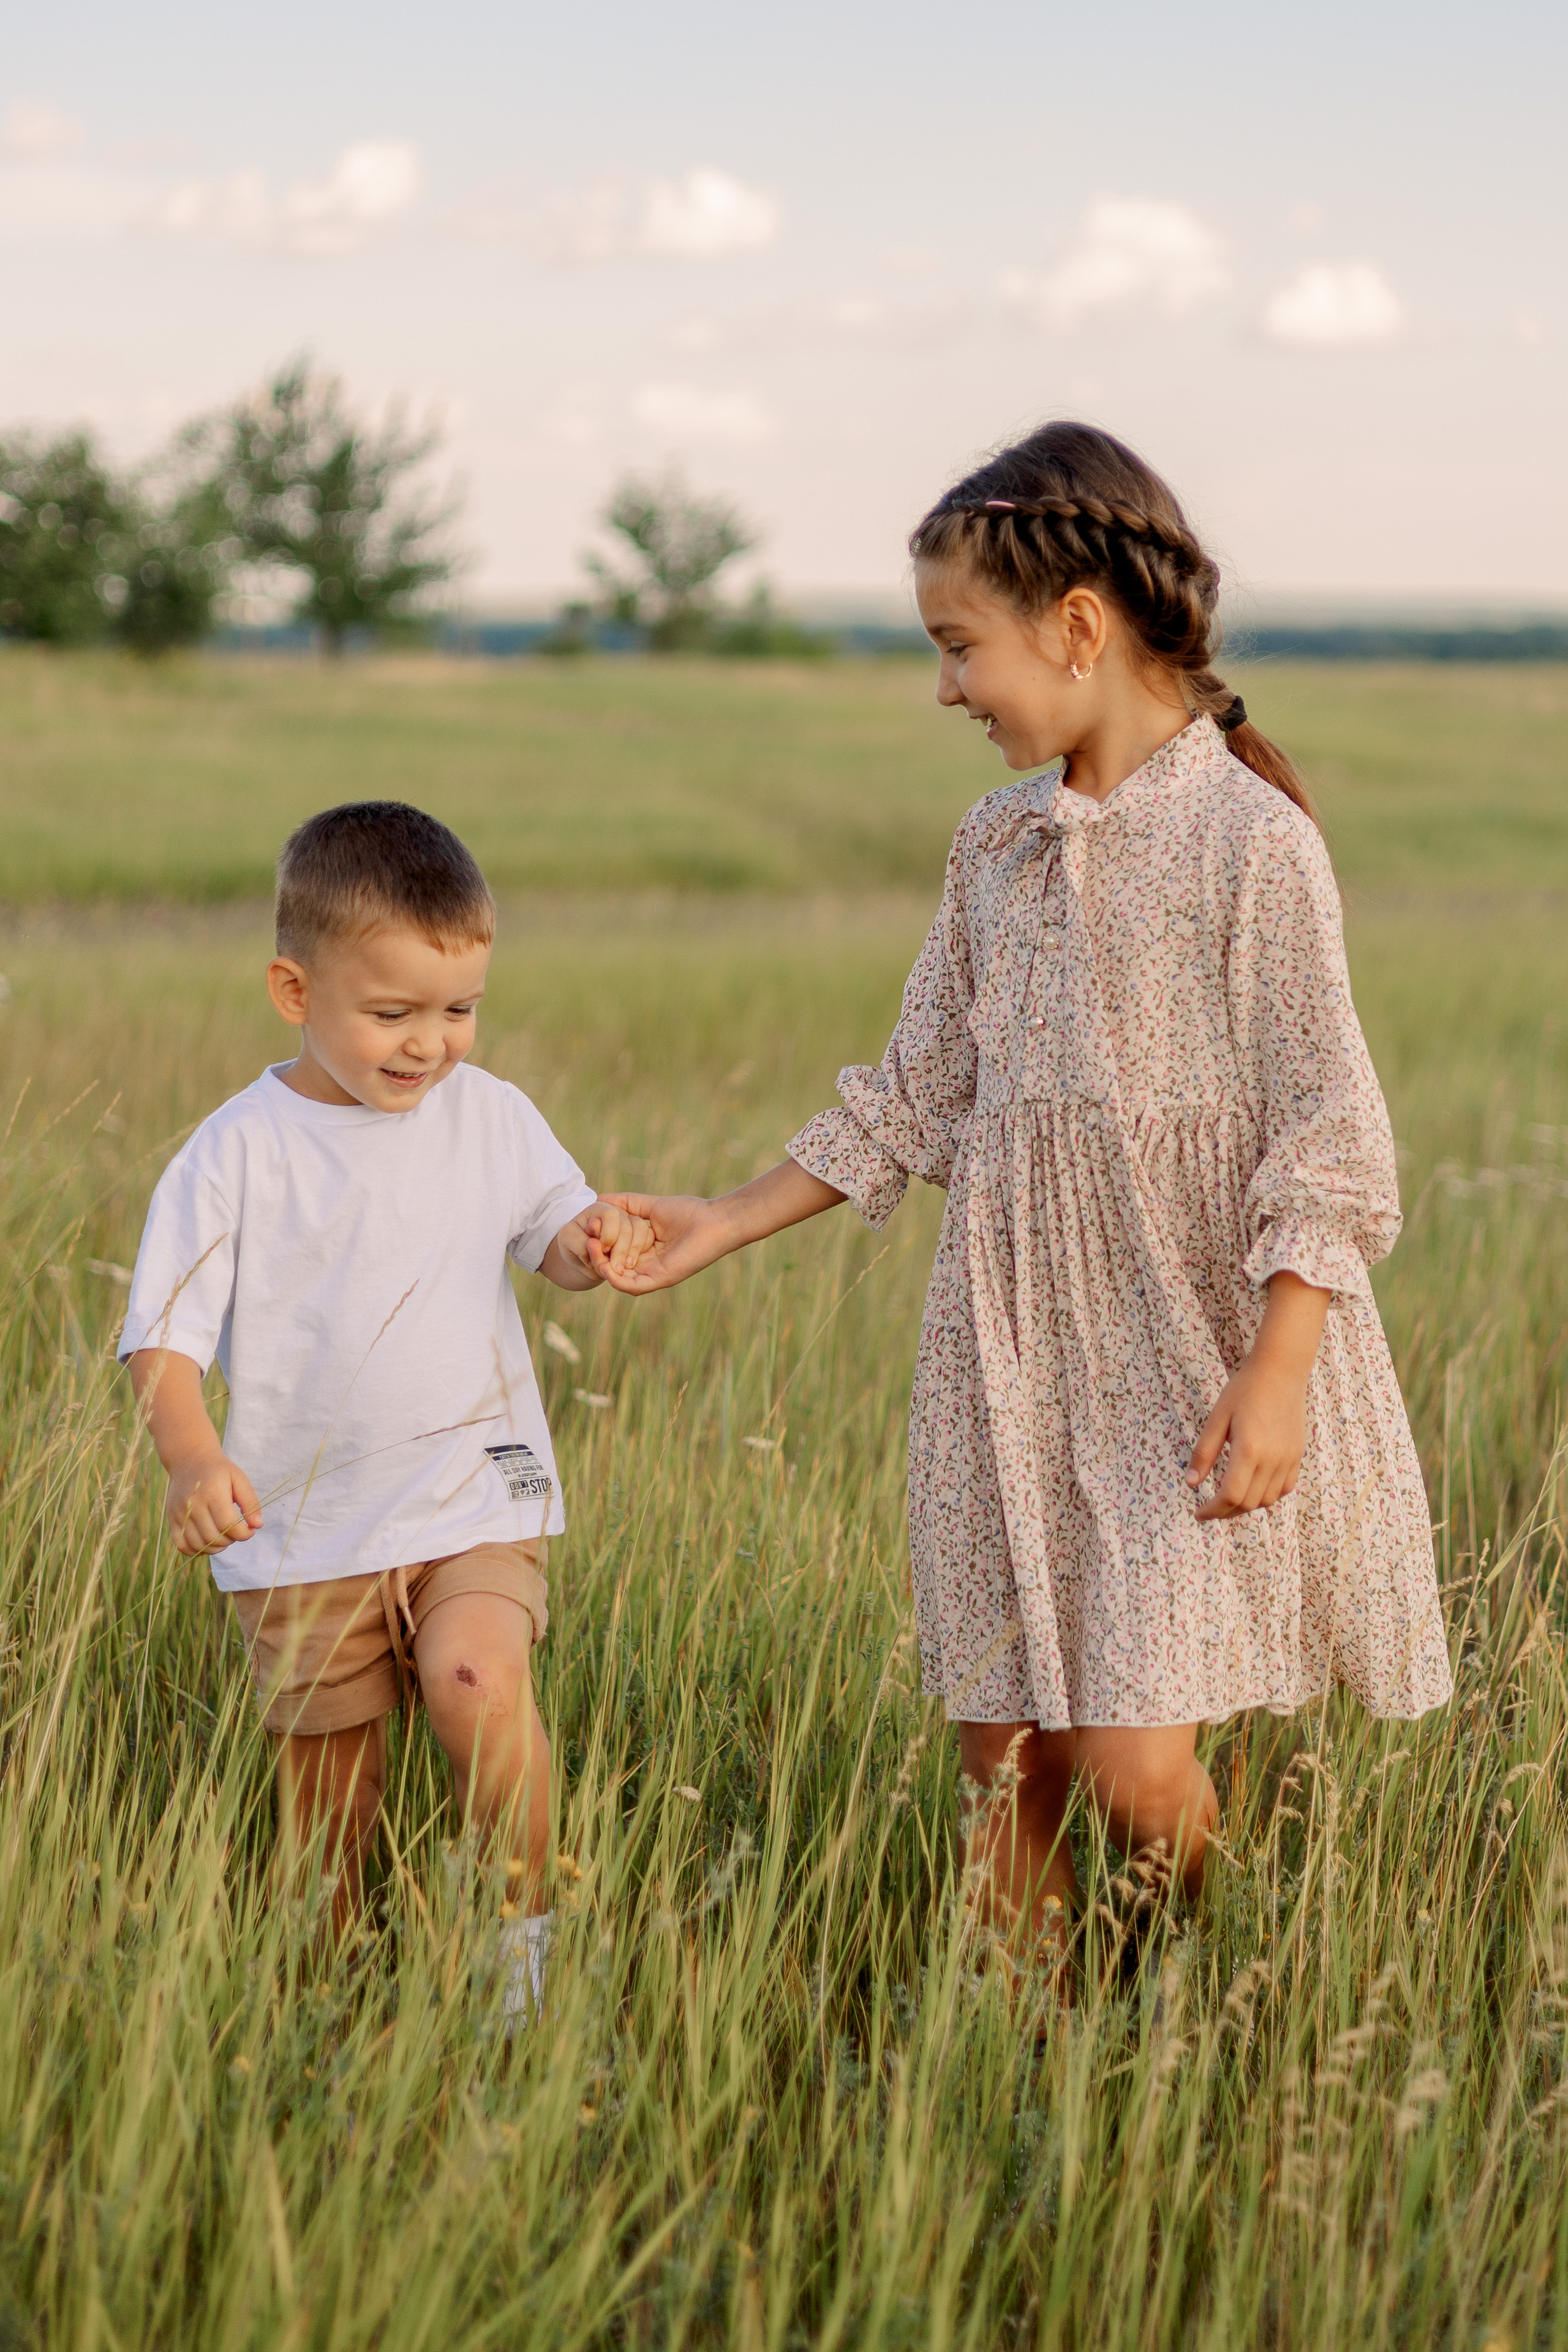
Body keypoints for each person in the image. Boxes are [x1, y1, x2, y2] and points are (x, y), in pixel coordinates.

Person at [593, 421, 1452, 1951]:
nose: (944, 689)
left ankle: (1228, 1990)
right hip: (1004, 1362)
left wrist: (1277, 1370)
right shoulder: (991, 845)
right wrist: (719, 1219)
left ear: (1074, 627)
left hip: (1183, 1362)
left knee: (1135, 1774)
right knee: (1008, 1770)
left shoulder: (1250, 843)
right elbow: (916, 1090)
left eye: (955, 646)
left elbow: (1327, 1124)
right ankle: (1027, 2049)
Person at [121, 800, 648, 2021]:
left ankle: (525, 1969)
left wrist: (589, 1241)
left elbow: (549, 1235)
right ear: (293, 991)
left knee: (476, 1678)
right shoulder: (236, 1152)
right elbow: (162, 1339)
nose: (430, 1045)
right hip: (303, 1534)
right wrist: (192, 1460)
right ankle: (329, 2011)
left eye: (459, 1010)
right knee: (329, 1813)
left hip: (473, 1493)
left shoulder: (491, 1115)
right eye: (394, 1013)